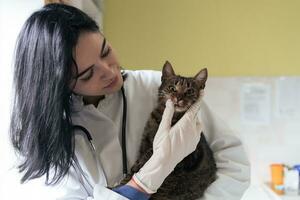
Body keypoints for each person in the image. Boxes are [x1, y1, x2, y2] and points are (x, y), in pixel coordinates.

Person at [10, 3, 250, 200]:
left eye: (105, 51)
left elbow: (233, 160)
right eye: (87, 74)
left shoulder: (157, 87)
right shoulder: (49, 139)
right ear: (59, 85)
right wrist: (146, 178)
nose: (109, 72)